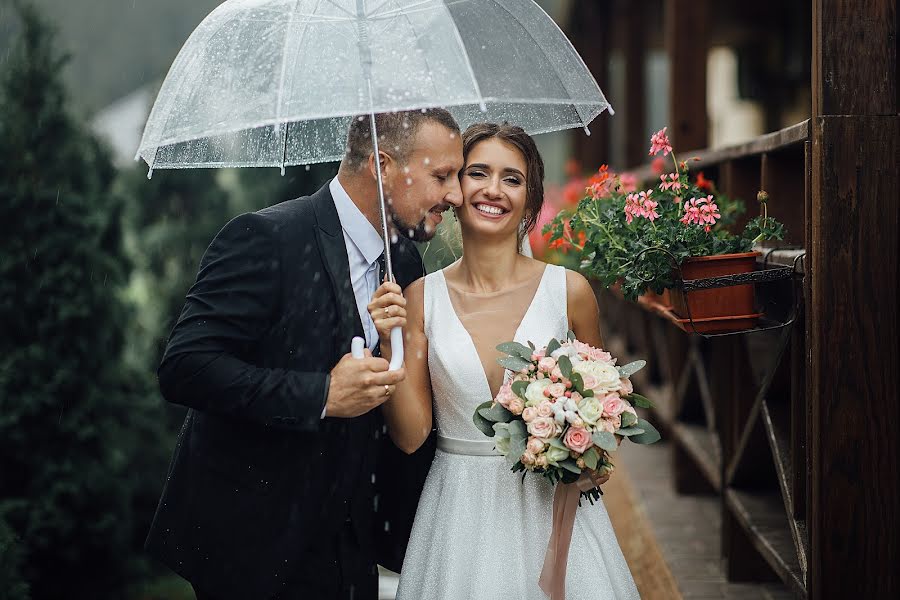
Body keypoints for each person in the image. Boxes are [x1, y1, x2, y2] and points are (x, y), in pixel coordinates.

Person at [144, 109, 463, 600]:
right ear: (382, 165)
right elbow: (186, 366)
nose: (455, 195)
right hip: (255, 542)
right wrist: (323, 394)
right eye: (441, 176)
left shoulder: (402, 262)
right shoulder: (266, 238)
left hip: (350, 547)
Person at [368, 123, 640, 599]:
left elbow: (607, 410)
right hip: (457, 516)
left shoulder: (570, 292)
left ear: (531, 199)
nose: (494, 190)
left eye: (512, 178)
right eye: (478, 173)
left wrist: (594, 457)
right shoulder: (418, 299)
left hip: (552, 509)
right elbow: (411, 436)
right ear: (455, 188)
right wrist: (391, 339)